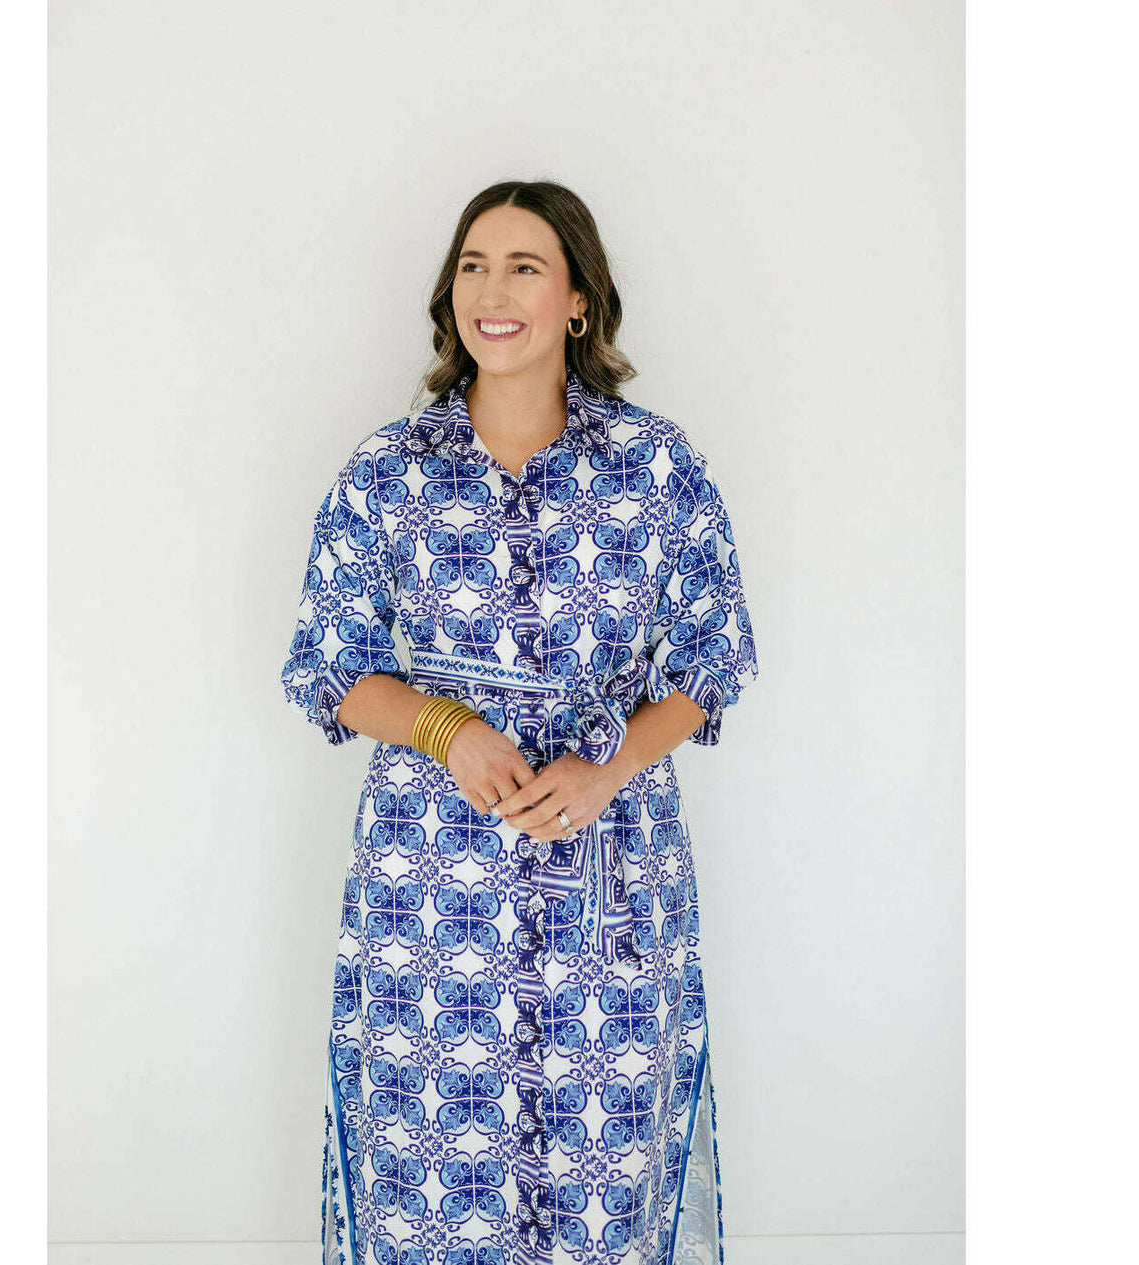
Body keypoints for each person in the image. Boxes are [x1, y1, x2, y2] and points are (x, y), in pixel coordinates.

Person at [280, 179, 759, 1265]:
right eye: (472, 266)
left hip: (609, 866)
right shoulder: (385, 474)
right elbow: (326, 665)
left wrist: (606, 768)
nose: (490, 292)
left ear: (578, 299)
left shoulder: (656, 465)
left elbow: (714, 654)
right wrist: (446, 730)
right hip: (430, 885)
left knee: (608, 1174)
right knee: (428, 1174)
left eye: (523, 267)